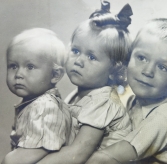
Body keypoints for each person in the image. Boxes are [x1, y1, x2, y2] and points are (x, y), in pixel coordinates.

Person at [86, 18, 167, 164]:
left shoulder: (164, 117)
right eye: (142, 58)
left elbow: (105, 158)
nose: (147, 71)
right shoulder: (137, 101)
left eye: (162, 67)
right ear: (128, 58)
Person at [37, 1, 133, 164]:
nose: (79, 61)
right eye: (75, 51)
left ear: (114, 69)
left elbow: (77, 154)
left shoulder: (103, 101)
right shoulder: (77, 95)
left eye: (92, 57)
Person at [2, 28, 71, 164]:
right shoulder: (35, 102)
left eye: (30, 67)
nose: (19, 74)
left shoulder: (45, 107)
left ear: (55, 75)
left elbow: (37, 149)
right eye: (13, 66)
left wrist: (8, 160)